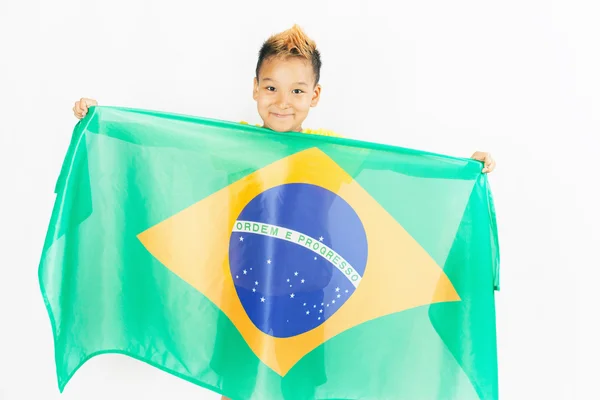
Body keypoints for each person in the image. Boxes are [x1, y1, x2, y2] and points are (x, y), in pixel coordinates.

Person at [71, 24, 496, 400]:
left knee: (298, 389)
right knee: (235, 386)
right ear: (254, 87)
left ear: (315, 95)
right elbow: (167, 138)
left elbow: (395, 164)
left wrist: (463, 169)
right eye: (271, 87)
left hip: (307, 302)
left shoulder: (330, 150)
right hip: (242, 296)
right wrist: (103, 120)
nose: (282, 101)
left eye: (297, 91)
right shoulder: (234, 143)